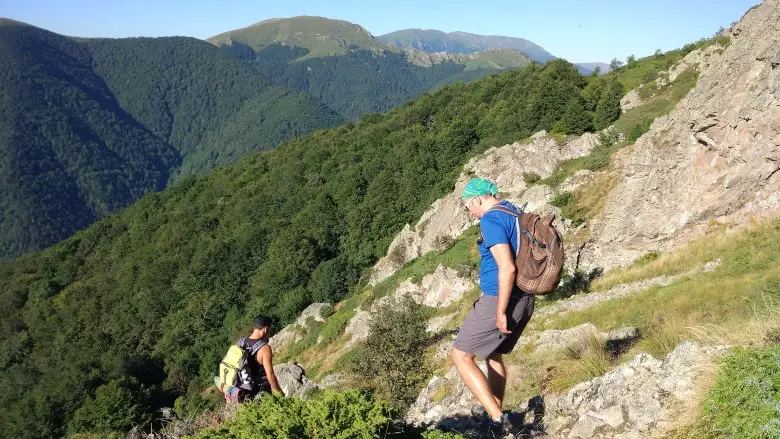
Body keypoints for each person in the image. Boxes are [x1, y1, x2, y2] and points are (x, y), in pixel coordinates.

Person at [450, 178, 535, 434]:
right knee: (492, 354)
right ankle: (496, 412)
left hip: (499, 299)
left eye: (468, 206)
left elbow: (507, 267)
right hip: (524, 298)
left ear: (478, 199)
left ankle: (499, 420)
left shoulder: (490, 220)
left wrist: (499, 311)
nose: (470, 212)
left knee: (461, 356)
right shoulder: (513, 210)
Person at [241, 316, 285, 400]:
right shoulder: (264, 349)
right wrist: (279, 392)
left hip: (243, 388)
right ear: (265, 329)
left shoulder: (241, 342)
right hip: (260, 390)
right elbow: (270, 376)